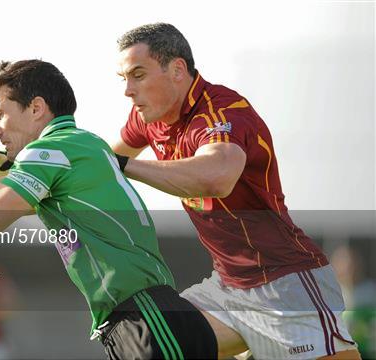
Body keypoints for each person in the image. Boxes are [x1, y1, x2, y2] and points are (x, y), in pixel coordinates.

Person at [0, 60, 218, 359]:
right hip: (145, 319)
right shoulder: (76, 145)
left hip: (148, 320)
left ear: (36, 108)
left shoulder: (49, 151)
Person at [112, 23, 360, 359]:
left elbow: (217, 177)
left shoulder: (223, 111)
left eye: (138, 75)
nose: (128, 90)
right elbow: (103, 166)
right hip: (228, 289)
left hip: (286, 284)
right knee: (154, 344)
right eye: (123, 78)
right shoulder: (148, 118)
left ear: (177, 70)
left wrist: (125, 166)